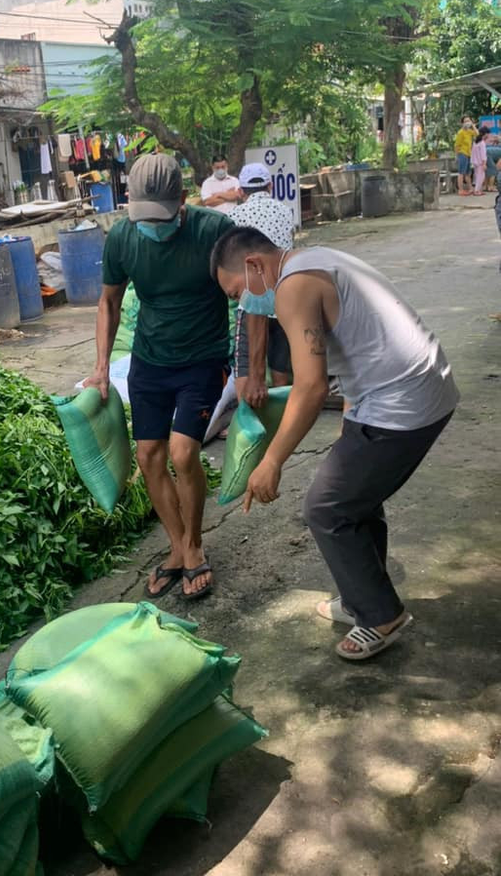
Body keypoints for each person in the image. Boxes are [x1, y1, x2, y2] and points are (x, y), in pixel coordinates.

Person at [211, 227, 459, 661]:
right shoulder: (315, 258)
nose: (242, 304)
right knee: (354, 496)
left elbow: (309, 387)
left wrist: (271, 461)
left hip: (404, 401)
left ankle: (382, 616)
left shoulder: (293, 287)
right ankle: (363, 596)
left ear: (253, 266)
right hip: (415, 385)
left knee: (325, 507)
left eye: (237, 293)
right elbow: (356, 343)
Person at [85, 154, 233, 601]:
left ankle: (194, 546)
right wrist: (99, 367)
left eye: (161, 218)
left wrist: (249, 368)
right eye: (143, 216)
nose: (152, 226)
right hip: (150, 360)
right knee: (149, 454)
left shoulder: (214, 231)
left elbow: (251, 295)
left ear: (183, 200)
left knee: (184, 453)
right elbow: (109, 303)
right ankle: (175, 546)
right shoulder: (123, 238)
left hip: (202, 358)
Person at [229, 163, 294, 405]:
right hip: (283, 294)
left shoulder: (233, 216)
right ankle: (284, 413)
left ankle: (246, 415)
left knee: (245, 361)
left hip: (251, 297)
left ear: (241, 192)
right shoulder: (285, 211)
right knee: (280, 362)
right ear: (270, 186)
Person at [454, 116, 477, 196]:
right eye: (465, 121)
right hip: (462, 153)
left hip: (468, 154)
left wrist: (473, 125)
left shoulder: (469, 131)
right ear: (462, 123)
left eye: (469, 121)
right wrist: (456, 156)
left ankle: (470, 188)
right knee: (461, 172)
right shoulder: (461, 133)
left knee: (467, 173)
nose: (467, 122)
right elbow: (457, 145)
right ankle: (461, 190)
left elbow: (477, 134)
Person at [471, 129, 490, 197]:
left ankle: (478, 190)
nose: (488, 135)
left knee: (477, 176)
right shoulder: (482, 143)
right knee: (481, 176)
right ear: (485, 134)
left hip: (475, 162)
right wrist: (484, 163)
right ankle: (477, 190)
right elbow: (483, 154)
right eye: (488, 133)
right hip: (480, 162)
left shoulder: (475, 142)